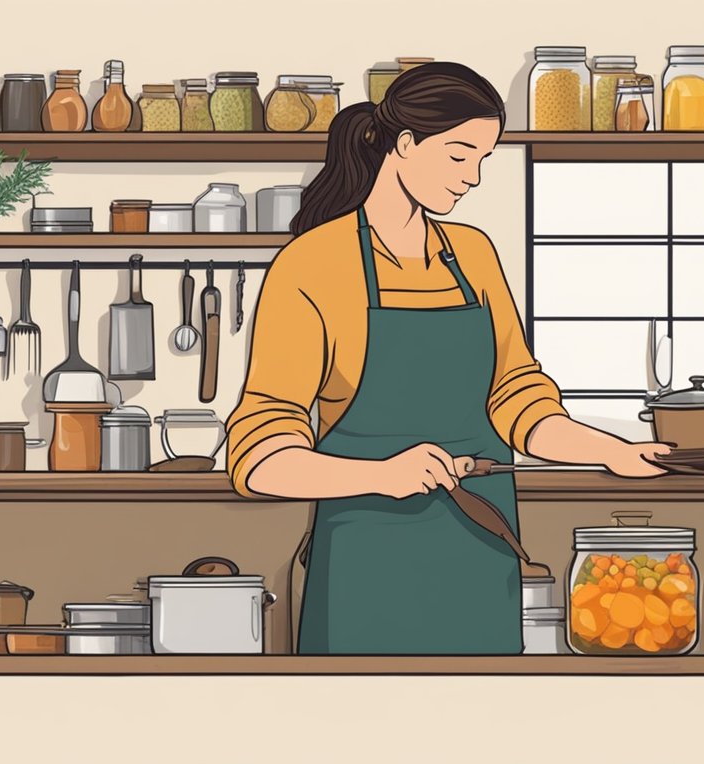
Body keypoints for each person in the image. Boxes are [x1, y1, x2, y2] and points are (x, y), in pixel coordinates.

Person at [226, 62, 670, 654]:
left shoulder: (473, 254)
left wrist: (611, 452)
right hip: (370, 561)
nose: (475, 177)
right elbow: (261, 455)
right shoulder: (313, 265)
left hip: (479, 551)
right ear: (404, 144)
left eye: (484, 159)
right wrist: (384, 475)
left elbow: (519, 400)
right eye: (460, 155)